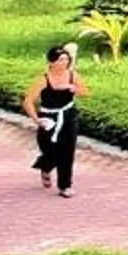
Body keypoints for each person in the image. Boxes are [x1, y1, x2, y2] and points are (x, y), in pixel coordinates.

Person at [23, 44, 85, 197]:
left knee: (67, 150)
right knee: (50, 149)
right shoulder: (43, 80)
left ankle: (65, 186)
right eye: (60, 60)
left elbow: (85, 92)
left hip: (69, 115)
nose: (64, 62)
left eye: (66, 59)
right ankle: (46, 166)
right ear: (52, 62)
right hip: (49, 118)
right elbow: (28, 101)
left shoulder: (72, 75)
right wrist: (36, 119)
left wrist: (72, 88)